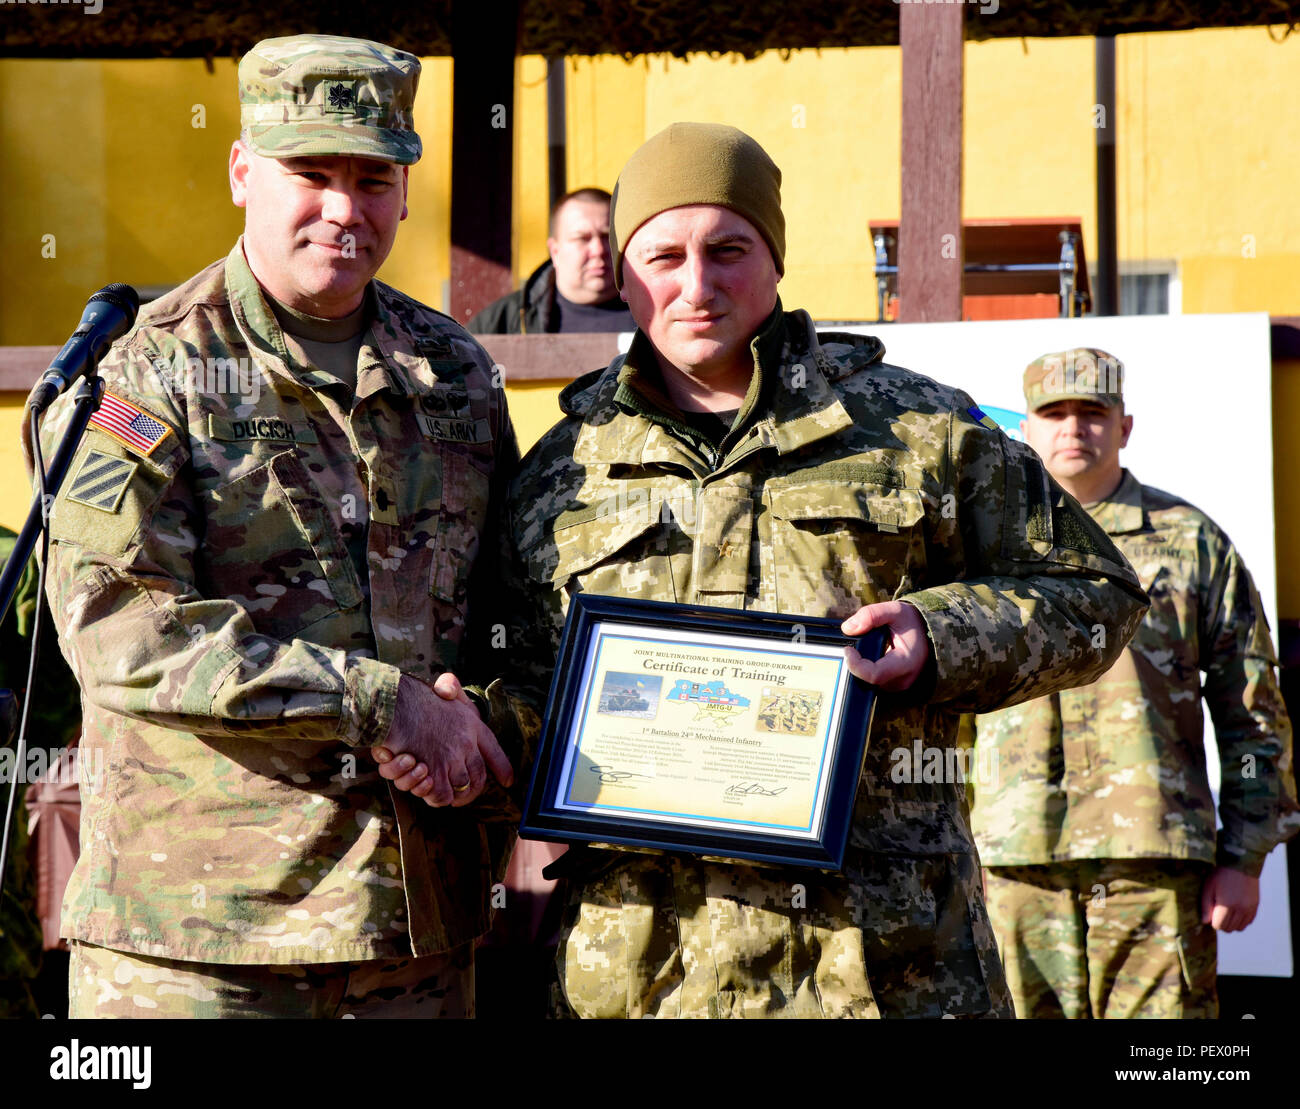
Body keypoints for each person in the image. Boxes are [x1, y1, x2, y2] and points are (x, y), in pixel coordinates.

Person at [383, 123, 1150, 1018]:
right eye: (662, 255)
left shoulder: (918, 431)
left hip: (882, 967)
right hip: (639, 975)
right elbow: (525, 680)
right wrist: (477, 726)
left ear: (776, 259)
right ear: (624, 275)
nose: (696, 285)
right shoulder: (563, 467)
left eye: (729, 249)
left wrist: (937, 635)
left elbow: (1097, 594)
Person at [25, 34, 527, 1019]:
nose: (345, 209)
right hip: (201, 952)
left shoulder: (455, 374)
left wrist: (489, 723)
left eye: (373, 177)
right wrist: (385, 703)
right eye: (311, 173)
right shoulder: (146, 372)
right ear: (242, 170)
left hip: (414, 938)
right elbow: (115, 623)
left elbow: (512, 605)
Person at [968, 348, 1298, 1019]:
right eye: (1054, 412)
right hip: (1010, 861)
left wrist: (1245, 855)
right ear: (1024, 428)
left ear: (1125, 425)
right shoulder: (979, 547)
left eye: (1092, 411)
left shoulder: (1192, 542)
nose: (1073, 428)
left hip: (1153, 863)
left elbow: (1252, 705)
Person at [467, 188, 635, 334]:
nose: (598, 250)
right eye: (582, 239)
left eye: (607, 237)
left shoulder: (653, 312)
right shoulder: (503, 323)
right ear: (555, 251)